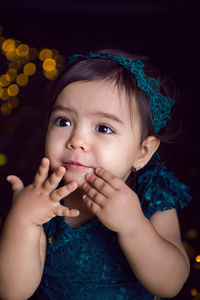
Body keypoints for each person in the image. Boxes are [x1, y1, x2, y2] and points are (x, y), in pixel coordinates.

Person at [0, 48, 191, 300]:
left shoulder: (152, 194)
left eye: (103, 128)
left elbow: (170, 284)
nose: (76, 140)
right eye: (63, 122)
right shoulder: (43, 198)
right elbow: (12, 293)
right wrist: (24, 220)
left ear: (142, 152)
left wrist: (133, 225)